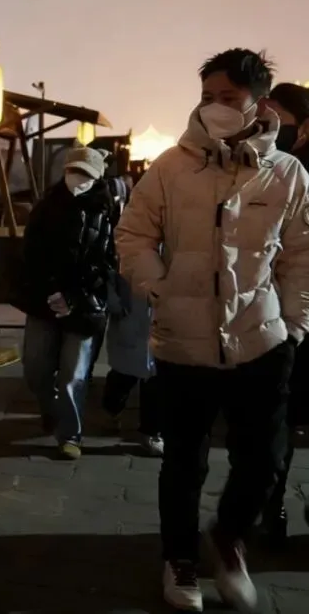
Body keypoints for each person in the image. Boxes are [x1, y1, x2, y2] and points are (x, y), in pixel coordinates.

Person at [116, 49, 309, 612]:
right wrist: (160, 287)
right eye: (207, 97)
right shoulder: (171, 167)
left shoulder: (288, 173)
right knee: (184, 460)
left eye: (228, 98)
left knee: (266, 459)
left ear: (259, 103)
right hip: (184, 340)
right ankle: (179, 559)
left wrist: (294, 324)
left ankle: (228, 537)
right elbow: (133, 235)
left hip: (262, 337)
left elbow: (300, 255)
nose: (215, 107)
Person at [16, 148, 117, 460]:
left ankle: (70, 435)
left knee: (73, 375)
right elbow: (31, 254)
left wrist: (74, 297)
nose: (77, 178)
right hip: (44, 301)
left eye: (85, 173)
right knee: (35, 368)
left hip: (86, 305)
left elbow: (108, 261)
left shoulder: (107, 210)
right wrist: (50, 291)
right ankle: (51, 409)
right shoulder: (46, 206)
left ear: (97, 177)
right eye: (74, 171)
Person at [260, 82, 309, 546]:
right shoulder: (275, 165)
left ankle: (273, 510)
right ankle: (269, 508)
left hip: (296, 311)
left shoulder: (293, 169)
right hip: (284, 312)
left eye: (278, 115)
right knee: (279, 419)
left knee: (284, 418)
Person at [101, 171, 163, 456]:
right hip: (132, 307)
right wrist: (114, 299)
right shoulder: (127, 224)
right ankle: (111, 409)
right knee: (124, 372)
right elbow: (110, 266)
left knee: (157, 377)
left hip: (163, 311)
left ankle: (151, 430)